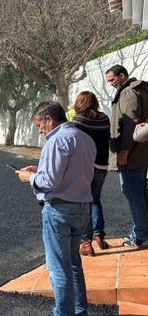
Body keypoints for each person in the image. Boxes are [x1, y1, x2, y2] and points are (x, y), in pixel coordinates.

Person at [15, 101, 95, 316]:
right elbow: (72, 171)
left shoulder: (56, 140)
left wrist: (29, 177)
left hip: (59, 210)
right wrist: (39, 169)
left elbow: (49, 182)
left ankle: (63, 313)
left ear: (49, 119)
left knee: (59, 269)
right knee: (74, 264)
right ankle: (79, 310)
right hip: (83, 208)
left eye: (40, 125)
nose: (40, 131)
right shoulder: (85, 139)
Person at [105, 64, 148, 247]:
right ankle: (143, 231)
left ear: (122, 76)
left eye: (112, 80)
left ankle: (141, 235)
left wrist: (125, 150)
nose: (111, 84)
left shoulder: (128, 93)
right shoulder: (140, 90)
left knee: (133, 193)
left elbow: (130, 123)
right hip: (141, 153)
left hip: (132, 155)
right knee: (140, 193)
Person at [70, 91, 111, 256]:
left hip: (84, 166)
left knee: (84, 202)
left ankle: (86, 242)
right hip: (102, 165)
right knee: (95, 200)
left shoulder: (77, 121)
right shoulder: (104, 119)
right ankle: (99, 235)